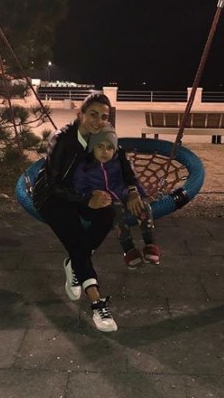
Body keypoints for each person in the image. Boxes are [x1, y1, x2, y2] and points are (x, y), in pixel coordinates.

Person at [32, 93, 140, 333]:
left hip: (81, 192)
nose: (99, 121)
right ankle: (97, 304)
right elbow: (53, 185)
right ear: (80, 114)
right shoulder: (62, 140)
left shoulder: (101, 133)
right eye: (93, 114)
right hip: (52, 198)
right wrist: (86, 200)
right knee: (78, 241)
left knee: (107, 214)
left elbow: (122, 160)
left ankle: (74, 264)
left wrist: (132, 190)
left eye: (104, 116)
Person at [73, 125, 161, 270]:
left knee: (143, 206)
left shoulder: (120, 160)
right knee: (116, 212)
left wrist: (138, 194)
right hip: (105, 200)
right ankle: (129, 249)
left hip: (124, 193)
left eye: (110, 148)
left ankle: (150, 243)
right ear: (92, 147)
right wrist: (90, 195)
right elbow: (78, 186)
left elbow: (132, 178)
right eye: (100, 146)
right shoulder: (85, 165)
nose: (105, 152)